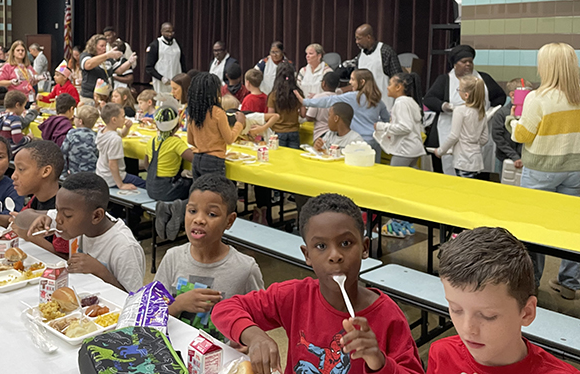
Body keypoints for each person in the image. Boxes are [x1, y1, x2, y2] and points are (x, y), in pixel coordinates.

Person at [212, 193, 424, 374]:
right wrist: (255, 335)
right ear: (307, 255)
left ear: (365, 248)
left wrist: (379, 362)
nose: (335, 255)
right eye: (321, 246)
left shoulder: (388, 315)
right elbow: (224, 308)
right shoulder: (295, 296)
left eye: (346, 243)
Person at [428, 227, 580, 373]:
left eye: (488, 316)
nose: (468, 329)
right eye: (456, 310)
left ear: (526, 313)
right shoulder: (442, 354)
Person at [506, 42, 580, 300]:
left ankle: (532, 285)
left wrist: (512, 119)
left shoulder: (537, 98)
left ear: (547, 66)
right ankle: (569, 283)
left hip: (541, 169)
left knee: (532, 229)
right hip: (576, 170)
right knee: (572, 228)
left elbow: (522, 135)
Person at [155, 174, 263, 338]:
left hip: (222, 360)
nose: (199, 220)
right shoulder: (172, 258)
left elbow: (261, 318)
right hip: (174, 353)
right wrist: (179, 305)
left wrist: (247, 341)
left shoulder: (245, 268)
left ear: (229, 221)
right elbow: (152, 314)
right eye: (192, 211)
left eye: (212, 214)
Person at [27, 172, 145, 292]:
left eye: (67, 215)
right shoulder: (77, 221)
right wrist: (40, 217)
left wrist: (100, 271)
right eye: (57, 210)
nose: (58, 219)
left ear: (96, 216)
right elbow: (22, 218)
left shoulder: (125, 248)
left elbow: (135, 301)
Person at [425, 45, 506, 175]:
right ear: (455, 64)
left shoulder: (483, 79)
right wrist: (444, 106)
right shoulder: (444, 80)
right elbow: (429, 99)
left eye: (470, 61)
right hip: (448, 126)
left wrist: (490, 111)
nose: (468, 64)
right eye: (463, 62)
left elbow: (500, 97)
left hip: (476, 128)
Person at [299, 69, 390, 162]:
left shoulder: (352, 97)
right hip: (374, 141)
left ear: (362, 82)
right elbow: (386, 119)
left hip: (357, 142)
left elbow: (328, 100)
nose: (350, 82)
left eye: (352, 79)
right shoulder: (378, 100)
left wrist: (305, 102)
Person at [10, 140, 68, 256]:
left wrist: (30, 236)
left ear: (45, 171)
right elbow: (17, 219)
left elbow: (67, 258)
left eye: (21, 169)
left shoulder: (66, 209)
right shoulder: (36, 200)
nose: (13, 176)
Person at [187, 72, 245, 178]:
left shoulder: (193, 112)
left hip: (197, 158)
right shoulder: (218, 112)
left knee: (199, 190)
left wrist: (203, 145)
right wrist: (239, 123)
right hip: (214, 160)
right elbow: (229, 139)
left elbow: (190, 140)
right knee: (214, 191)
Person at [433, 76, 490, 178]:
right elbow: (485, 138)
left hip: (462, 159)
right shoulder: (482, 112)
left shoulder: (460, 110)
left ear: (466, 95)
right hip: (476, 159)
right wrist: (472, 146)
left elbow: (454, 136)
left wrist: (441, 151)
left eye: (459, 89)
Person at [374, 72, 424, 167]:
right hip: (413, 148)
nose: (387, 87)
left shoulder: (401, 103)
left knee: (395, 177)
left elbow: (405, 127)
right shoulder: (410, 101)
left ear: (398, 87)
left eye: (390, 84)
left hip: (404, 149)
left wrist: (381, 126)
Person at [145, 106, 194, 201]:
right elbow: (194, 159)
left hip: (151, 189)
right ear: (176, 126)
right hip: (167, 190)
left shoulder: (152, 141)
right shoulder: (175, 142)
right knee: (194, 184)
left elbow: (147, 165)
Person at [96, 103, 146, 190]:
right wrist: (121, 185)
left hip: (101, 173)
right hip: (112, 179)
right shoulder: (115, 139)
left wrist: (127, 127)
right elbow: (113, 164)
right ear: (114, 120)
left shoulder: (102, 131)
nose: (125, 119)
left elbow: (122, 134)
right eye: (123, 116)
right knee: (146, 185)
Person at [352, 24, 402, 109]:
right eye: (356, 39)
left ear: (368, 37)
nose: (357, 42)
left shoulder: (385, 52)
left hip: (385, 104)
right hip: (365, 106)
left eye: (359, 38)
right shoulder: (360, 56)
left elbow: (398, 78)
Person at [492, 79, 527, 175]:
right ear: (512, 95)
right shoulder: (501, 113)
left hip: (525, 159)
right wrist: (514, 156)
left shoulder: (530, 113)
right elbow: (497, 137)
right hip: (505, 157)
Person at [80, 34, 128, 102]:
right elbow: (88, 65)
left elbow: (119, 70)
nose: (104, 48)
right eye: (101, 46)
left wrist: (129, 62)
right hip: (90, 96)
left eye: (105, 46)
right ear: (93, 46)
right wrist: (107, 55)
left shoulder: (107, 59)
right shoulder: (86, 55)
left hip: (106, 96)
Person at [267, 63, 305, 149]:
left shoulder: (273, 95)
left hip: (278, 132)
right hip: (294, 131)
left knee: (280, 159)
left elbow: (270, 115)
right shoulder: (299, 93)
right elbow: (303, 114)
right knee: (293, 158)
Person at [145, 22, 186, 94]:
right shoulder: (155, 45)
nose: (170, 34)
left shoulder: (178, 44)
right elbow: (149, 67)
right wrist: (161, 78)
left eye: (172, 32)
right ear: (162, 32)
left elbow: (182, 63)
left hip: (176, 81)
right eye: (167, 31)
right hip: (161, 82)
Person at [61, 104, 99, 177]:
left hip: (74, 174)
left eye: (75, 117)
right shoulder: (96, 136)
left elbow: (63, 153)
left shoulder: (71, 134)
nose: (73, 117)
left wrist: (63, 173)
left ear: (80, 121)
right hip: (92, 176)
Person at [306, 71, 340, 143]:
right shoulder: (340, 98)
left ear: (323, 83)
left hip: (321, 134)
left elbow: (309, 117)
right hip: (336, 134)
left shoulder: (318, 98)